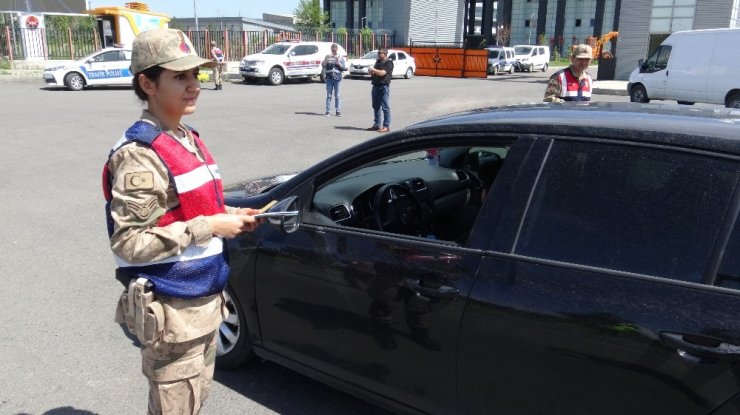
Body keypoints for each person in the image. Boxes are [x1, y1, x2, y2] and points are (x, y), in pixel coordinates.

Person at [102, 28, 261, 414]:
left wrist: (229, 215)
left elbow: (192, 207)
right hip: (173, 313)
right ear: (147, 83)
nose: (194, 86)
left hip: (203, 306)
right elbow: (129, 242)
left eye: (196, 75)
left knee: (194, 402)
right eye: (179, 77)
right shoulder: (139, 154)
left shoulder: (184, 136)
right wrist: (211, 226)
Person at [367, 48, 394, 133]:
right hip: (375, 86)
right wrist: (371, 71)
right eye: (378, 53)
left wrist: (373, 70)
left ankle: (386, 126)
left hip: (383, 86)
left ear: (385, 54)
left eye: (380, 53)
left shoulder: (388, 62)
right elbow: (374, 72)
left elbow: (382, 73)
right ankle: (377, 125)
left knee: (385, 107)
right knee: (376, 107)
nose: (378, 54)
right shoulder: (378, 62)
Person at [322, 43, 347, 116]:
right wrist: (326, 60)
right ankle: (328, 111)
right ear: (331, 50)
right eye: (333, 50)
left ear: (337, 50)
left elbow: (344, 68)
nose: (334, 52)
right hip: (329, 78)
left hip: (337, 78)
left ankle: (338, 111)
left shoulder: (340, 57)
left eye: (335, 50)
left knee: (337, 95)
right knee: (329, 95)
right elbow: (323, 65)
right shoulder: (327, 56)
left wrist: (338, 62)